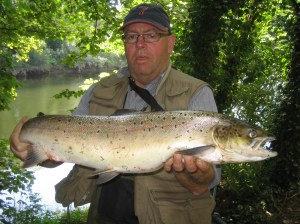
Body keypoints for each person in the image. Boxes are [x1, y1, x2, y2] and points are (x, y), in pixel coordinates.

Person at [9, 3, 221, 224]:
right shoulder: (98, 90)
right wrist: (34, 152)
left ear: (170, 43)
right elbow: (65, 151)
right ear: (124, 44)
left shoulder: (197, 94)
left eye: (151, 35)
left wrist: (193, 172)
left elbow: (208, 181)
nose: (140, 44)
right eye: (131, 37)